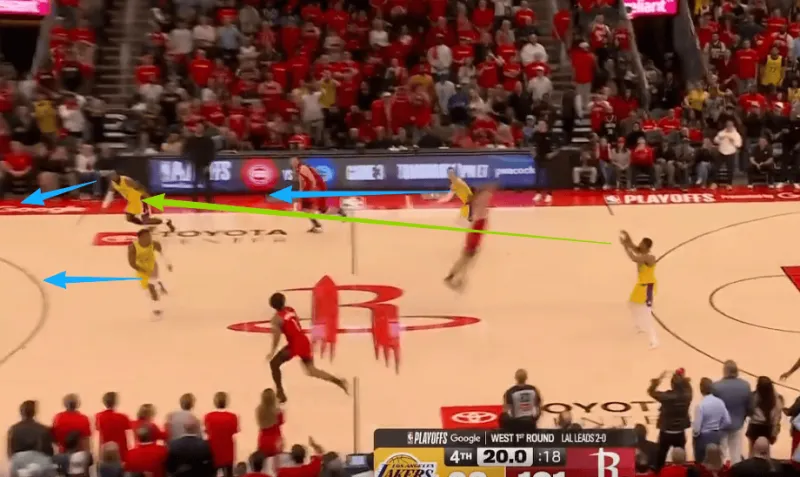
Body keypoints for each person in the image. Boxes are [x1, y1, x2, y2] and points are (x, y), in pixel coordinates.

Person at [267, 292, 349, 403]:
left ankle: (280, 393)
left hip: (294, 344)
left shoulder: (276, 319)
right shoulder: (290, 309)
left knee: (274, 364)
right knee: (311, 370)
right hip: (304, 341)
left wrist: (272, 351)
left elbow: (276, 337)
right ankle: (338, 381)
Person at [444, 184, 495, 291]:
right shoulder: (479, 201)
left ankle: (454, 276)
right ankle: (454, 277)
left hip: (474, 231)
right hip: (476, 232)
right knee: (467, 258)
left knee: (466, 258)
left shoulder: (471, 204)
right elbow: (490, 189)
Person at [647, 369, 692, 470]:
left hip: (666, 432)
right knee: (681, 460)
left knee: (660, 458)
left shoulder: (667, 397)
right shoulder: (687, 395)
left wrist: (658, 379)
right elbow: (688, 387)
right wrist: (682, 378)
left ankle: (659, 473)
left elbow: (651, 392)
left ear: (672, 385)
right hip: (680, 432)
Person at [619, 230, 658, 348]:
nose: (639, 244)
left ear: (646, 247)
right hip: (641, 285)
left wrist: (625, 246)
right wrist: (627, 237)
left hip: (647, 287)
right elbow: (633, 247)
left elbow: (633, 257)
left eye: (642, 243)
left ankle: (654, 341)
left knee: (646, 313)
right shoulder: (642, 252)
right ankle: (640, 327)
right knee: (631, 304)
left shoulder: (649, 257)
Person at [102, 172, 175, 232]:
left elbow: (140, 188)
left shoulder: (126, 180)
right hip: (132, 201)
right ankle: (146, 226)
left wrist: (150, 199)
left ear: (117, 175)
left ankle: (166, 221)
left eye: (114, 175)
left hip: (140, 199)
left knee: (146, 220)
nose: (113, 177)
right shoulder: (112, 183)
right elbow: (110, 194)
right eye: (111, 176)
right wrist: (105, 205)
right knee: (129, 218)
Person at [289, 157, 345, 233]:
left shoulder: (303, 168)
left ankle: (318, 224)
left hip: (317, 188)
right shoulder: (300, 169)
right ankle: (318, 223)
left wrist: (312, 192)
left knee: (316, 209)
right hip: (314, 188)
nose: (292, 163)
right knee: (310, 208)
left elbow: (312, 180)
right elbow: (302, 184)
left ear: (298, 161)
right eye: (291, 162)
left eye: (294, 161)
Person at [127, 228, 172, 320]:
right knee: (147, 289)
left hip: (152, 267)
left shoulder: (155, 244)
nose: (150, 238)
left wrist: (168, 264)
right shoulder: (132, 247)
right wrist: (141, 269)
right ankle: (159, 284)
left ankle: (156, 309)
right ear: (141, 238)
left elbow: (163, 254)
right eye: (147, 237)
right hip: (141, 269)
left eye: (150, 236)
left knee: (151, 288)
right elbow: (131, 263)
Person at [713, 360, 751, 465]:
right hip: (738, 423)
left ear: (725, 371)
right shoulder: (745, 385)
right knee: (736, 454)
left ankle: (721, 471)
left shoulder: (716, 386)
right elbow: (749, 406)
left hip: (721, 425)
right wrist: (743, 417)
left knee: (721, 454)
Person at [692, 378, 731, 463]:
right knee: (714, 462)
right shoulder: (720, 402)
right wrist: (719, 428)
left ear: (701, 389)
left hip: (703, 438)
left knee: (701, 463)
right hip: (716, 436)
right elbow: (727, 421)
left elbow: (696, 430)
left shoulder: (700, 405)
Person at [204, 392, 239, 477]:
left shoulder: (208, 416)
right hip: (228, 450)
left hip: (213, 450)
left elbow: (207, 431)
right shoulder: (232, 417)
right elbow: (235, 431)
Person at [745, 376, 783, 452]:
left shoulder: (753, 396)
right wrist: (774, 434)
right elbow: (776, 419)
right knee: (765, 452)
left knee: (752, 452)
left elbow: (749, 412)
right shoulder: (777, 399)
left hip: (755, 427)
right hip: (768, 428)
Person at [184, 123, 216, 203]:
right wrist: (189, 159)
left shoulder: (208, 140)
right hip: (195, 163)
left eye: (201, 127)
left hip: (205, 163)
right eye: (198, 127)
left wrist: (209, 163)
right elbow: (186, 150)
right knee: (195, 181)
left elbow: (211, 152)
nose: (199, 129)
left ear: (203, 129)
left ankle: (208, 199)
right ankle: (194, 198)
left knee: (207, 182)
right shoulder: (191, 140)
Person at [94, 392, 130, 462]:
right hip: (121, 452)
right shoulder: (123, 417)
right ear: (116, 402)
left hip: (105, 452)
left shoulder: (99, 416)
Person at [256, 389, 284, 459]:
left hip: (263, 440)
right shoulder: (277, 412)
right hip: (276, 441)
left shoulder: (259, 410)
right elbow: (281, 422)